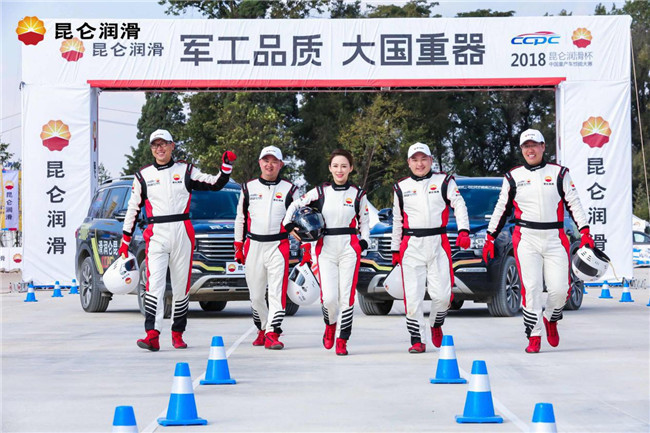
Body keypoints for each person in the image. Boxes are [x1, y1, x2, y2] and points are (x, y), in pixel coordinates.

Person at [119, 129, 236, 351]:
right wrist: (125, 239)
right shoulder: (143, 176)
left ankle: (177, 333)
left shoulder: (186, 170)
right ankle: (152, 334)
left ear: (172, 146)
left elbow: (215, 184)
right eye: (155, 145)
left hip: (182, 230)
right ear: (151, 149)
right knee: (154, 285)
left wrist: (226, 167)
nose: (159, 148)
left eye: (163, 144)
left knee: (181, 285)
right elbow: (133, 208)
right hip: (156, 233)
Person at [483, 128, 594, 353]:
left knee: (561, 290)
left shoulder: (560, 173)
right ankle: (534, 335)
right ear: (521, 149)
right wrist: (490, 237)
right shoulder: (513, 177)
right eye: (526, 146)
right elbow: (501, 209)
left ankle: (551, 318)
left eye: (534, 145)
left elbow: (574, 203)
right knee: (531, 288)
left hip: (555, 238)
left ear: (543, 147)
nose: (530, 150)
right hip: (526, 238)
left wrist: (585, 232)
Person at [283, 149, 370, 356]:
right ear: (330, 168)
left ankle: (342, 339)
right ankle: (330, 325)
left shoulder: (358, 194)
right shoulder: (320, 192)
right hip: (325, 249)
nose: (340, 170)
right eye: (336, 166)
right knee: (329, 298)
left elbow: (365, 222)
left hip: (349, 249)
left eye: (344, 166)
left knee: (347, 297)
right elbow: (295, 204)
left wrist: (363, 243)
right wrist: (288, 225)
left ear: (350, 168)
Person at [391, 142, 471, 354]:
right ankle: (417, 339)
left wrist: (464, 230)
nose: (420, 164)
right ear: (409, 163)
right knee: (413, 297)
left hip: (438, 243)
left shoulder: (444, 181)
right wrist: (395, 249)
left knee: (443, 296)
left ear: (430, 160)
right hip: (411, 245)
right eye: (415, 160)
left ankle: (436, 323)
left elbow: (459, 204)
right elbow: (397, 220)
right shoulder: (401, 187)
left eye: (423, 159)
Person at [234, 146, 299, 350]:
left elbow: (298, 219)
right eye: (266, 160)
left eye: (274, 161)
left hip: (278, 245)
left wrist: (306, 247)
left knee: (276, 292)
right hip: (253, 245)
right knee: (255, 295)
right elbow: (240, 218)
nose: (269, 165)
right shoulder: (248, 188)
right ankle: (262, 327)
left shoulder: (291, 189)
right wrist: (238, 246)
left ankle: (273, 333)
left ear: (281, 164)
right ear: (260, 163)